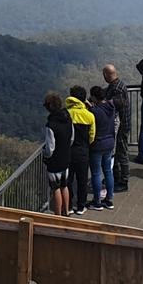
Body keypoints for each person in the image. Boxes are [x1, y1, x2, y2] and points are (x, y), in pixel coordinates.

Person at [65, 85, 96, 216]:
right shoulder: (89, 116)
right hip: (83, 152)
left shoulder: (66, 114)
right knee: (82, 180)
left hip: (68, 152)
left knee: (68, 180)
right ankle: (81, 206)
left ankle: (69, 205)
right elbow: (92, 136)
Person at [43, 93, 74, 216]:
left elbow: (50, 148)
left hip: (55, 161)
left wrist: (45, 154)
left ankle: (57, 216)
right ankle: (66, 211)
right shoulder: (68, 118)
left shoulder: (51, 125)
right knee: (64, 185)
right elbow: (72, 138)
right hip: (66, 156)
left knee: (55, 188)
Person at [88, 85, 117, 210]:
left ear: (94, 97)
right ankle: (109, 200)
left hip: (98, 144)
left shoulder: (95, 112)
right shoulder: (111, 107)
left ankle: (97, 201)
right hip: (110, 142)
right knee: (108, 171)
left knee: (96, 173)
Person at [102, 64, 131, 192]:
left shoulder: (118, 89)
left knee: (121, 152)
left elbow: (114, 104)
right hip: (121, 125)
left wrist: (102, 103)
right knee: (118, 152)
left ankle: (123, 181)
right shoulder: (116, 85)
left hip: (122, 126)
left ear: (107, 75)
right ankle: (115, 176)